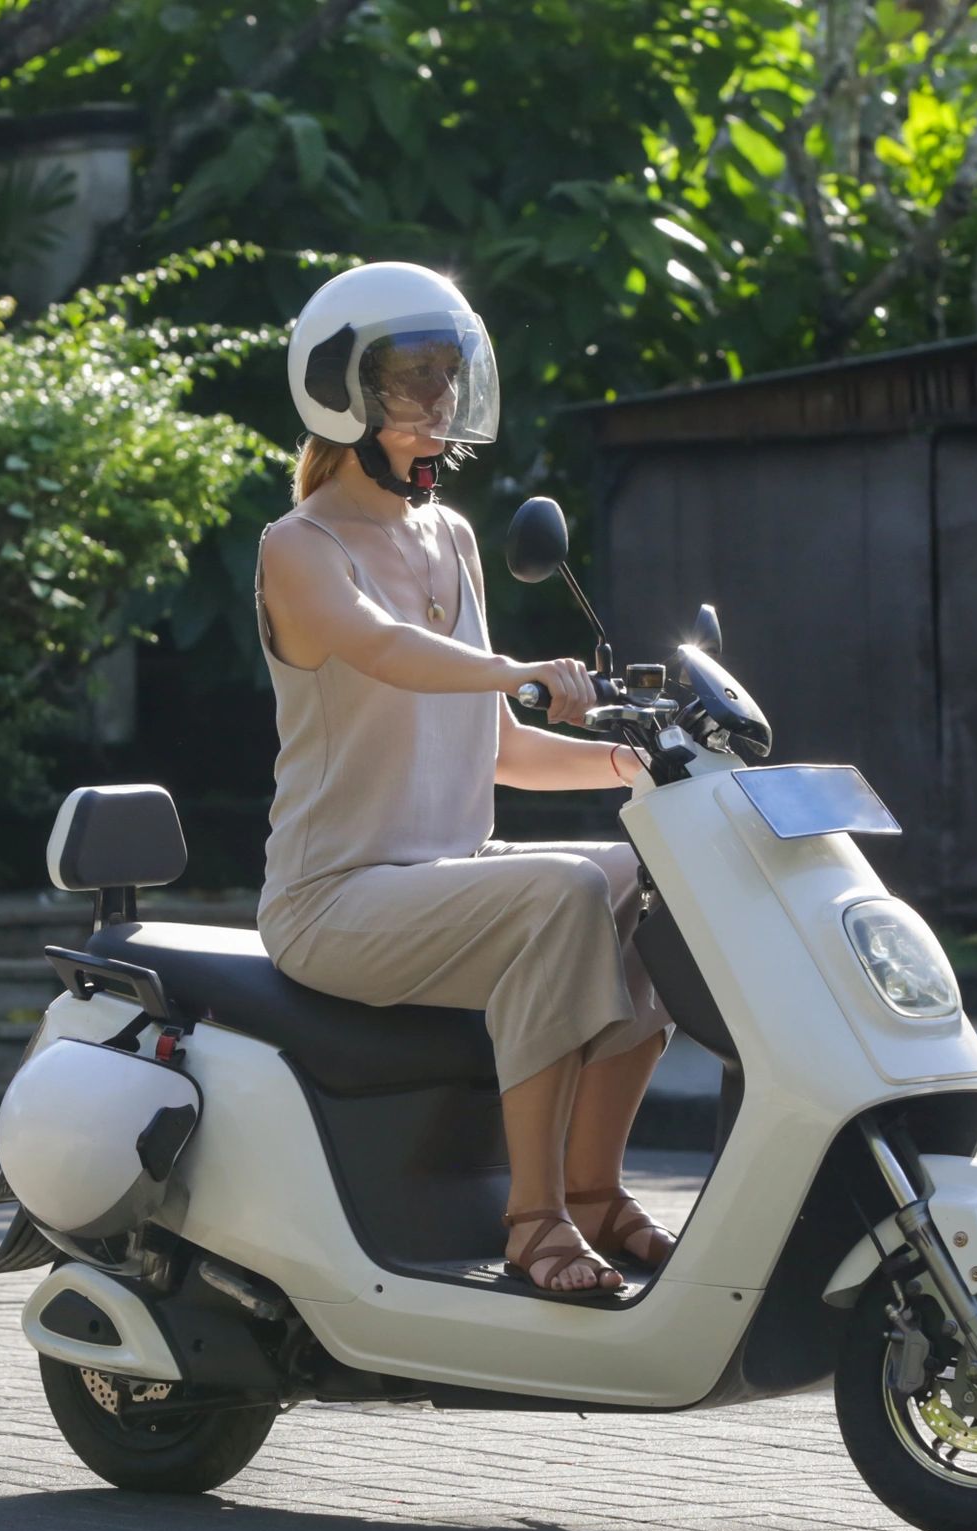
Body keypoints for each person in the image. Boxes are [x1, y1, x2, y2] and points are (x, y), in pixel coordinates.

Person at [254, 261, 675, 1297]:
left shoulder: (452, 536)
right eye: (412, 378)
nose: (439, 400)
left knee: (658, 876)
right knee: (564, 891)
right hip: (331, 901)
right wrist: (524, 671)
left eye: (450, 375)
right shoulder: (298, 548)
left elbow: (501, 752)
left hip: (446, 875)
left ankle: (590, 1192)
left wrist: (655, 769)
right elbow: (386, 651)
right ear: (338, 390)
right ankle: (530, 1220)